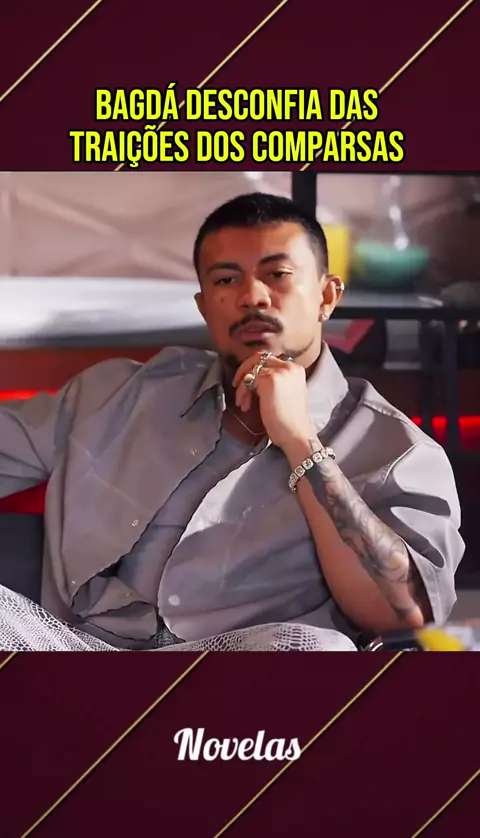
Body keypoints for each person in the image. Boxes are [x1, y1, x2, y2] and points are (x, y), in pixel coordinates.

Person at [0, 193, 464, 651]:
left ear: (326, 297)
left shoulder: (396, 449)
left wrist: (300, 440)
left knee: (318, 650)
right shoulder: (117, 394)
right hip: (69, 653)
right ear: (205, 306)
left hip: (246, 671)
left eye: (277, 275)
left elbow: (401, 611)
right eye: (226, 279)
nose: (252, 296)